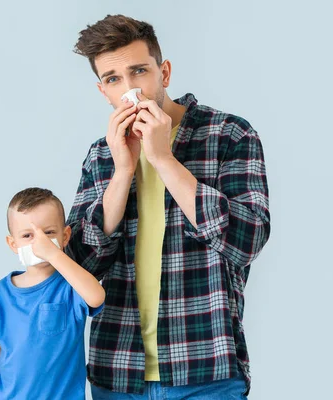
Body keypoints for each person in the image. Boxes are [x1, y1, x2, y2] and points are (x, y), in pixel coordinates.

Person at [65, 15, 271, 399]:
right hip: (118, 372)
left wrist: (163, 158)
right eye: (113, 79)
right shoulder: (101, 155)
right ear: (103, 92)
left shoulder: (229, 135)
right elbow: (79, 264)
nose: (130, 91)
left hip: (205, 370)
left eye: (139, 71)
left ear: (165, 72)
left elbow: (248, 241)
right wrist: (123, 170)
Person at [0, 188, 106, 399]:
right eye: (28, 235)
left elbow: (96, 296)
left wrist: (54, 254)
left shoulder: (71, 285)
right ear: (13, 244)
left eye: (48, 233)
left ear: (65, 236)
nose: (40, 243)